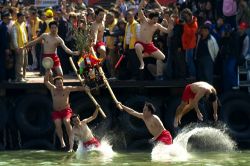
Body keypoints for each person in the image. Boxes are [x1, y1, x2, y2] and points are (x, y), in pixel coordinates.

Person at [44, 70, 90, 151]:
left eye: (61, 83)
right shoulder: (52, 88)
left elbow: (77, 88)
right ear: (55, 84)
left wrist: (85, 88)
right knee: (57, 123)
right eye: (57, 83)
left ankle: (70, 140)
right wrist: (47, 73)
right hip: (56, 112)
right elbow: (46, 81)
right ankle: (62, 141)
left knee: (67, 121)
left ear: (62, 83)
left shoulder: (67, 89)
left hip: (66, 111)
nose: (59, 85)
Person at [135, 0, 173, 70]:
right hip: (141, 43)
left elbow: (167, 31)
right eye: (154, 20)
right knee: (137, 46)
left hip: (149, 45)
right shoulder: (144, 20)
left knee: (163, 57)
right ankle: (142, 62)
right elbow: (139, 9)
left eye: (157, 20)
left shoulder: (157, 25)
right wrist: (142, 1)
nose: (155, 21)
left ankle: (144, 55)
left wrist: (170, 24)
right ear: (150, 18)